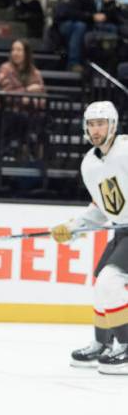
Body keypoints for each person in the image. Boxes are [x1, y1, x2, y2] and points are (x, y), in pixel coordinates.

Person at [50, 101, 128, 373]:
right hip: (122, 229)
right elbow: (103, 207)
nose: (96, 130)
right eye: (92, 124)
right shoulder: (90, 164)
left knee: (111, 280)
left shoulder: (126, 150)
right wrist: (73, 228)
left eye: (101, 123)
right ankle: (103, 343)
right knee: (101, 284)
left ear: (113, 125)